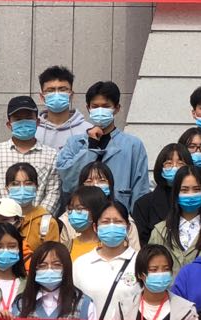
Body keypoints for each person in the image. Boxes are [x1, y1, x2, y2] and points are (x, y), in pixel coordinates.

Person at [56, 80, 151, 211]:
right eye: (95, 106)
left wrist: (135, 218)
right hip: (82, 215)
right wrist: (91, 147)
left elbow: (140, 189)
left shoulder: (132, 145)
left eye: (106, 106)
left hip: (118, 216)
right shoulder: (74, 143)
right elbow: (68, 182)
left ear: (117, 108)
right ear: (88, 108)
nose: (100, 110)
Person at [0, 95, 61, 212]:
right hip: (2, 221)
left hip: (39, 221)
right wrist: (4, 218)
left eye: (28, 118)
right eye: (18, 119)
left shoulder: (52, 155)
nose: (23, 122)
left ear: (37, 122)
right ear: (9, 124)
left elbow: (53, 193)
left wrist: (37, 219)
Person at [74, 198, 139, 315]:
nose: (112, 226)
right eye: (105, 222)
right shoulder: (81, 264)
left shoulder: (140, 262)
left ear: (128, 227)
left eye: (118, 221)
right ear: (95, 227)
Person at [0, 164, 60, 258]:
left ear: (36, 187)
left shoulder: (47, 223)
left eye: (28, 183)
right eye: (15, 184)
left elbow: (51, 257)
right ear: (7, 188)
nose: (22, 188)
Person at [147, 164, 201, 265]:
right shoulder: (160, 231)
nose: (190, 195)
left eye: (196, 189)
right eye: (184, 190)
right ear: (176, 193)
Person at [133, 145, 185, 247]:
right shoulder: (144, 204)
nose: (175, 168)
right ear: (160, 168)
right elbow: (142, 243)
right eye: (169, 163)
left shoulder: (196, 200)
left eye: (180, 164)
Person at [36, 65, 89, 150]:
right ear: (42, 97)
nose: (56, 94)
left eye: (62, 89)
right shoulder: (33, 131)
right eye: (50, 90)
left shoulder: (87, 130)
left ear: (71, 95)